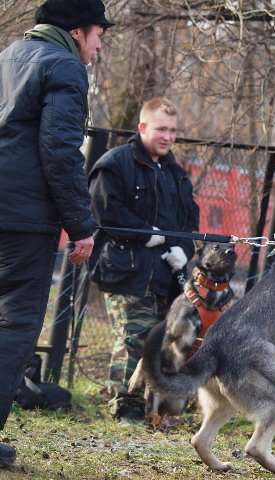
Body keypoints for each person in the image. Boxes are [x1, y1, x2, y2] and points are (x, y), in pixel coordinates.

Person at [0, 0, 114, 468]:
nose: (100, 43)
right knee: (15, 326)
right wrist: (82, 223)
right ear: (78, 31)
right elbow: (60, 151)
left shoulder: (7, 57)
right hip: (22, 221)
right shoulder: (65, 68)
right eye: (98, 34)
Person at [88, 97, 200, 424]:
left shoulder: (177, 176)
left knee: (163, 342)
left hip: (165, 275)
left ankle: (155, 410)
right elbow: (103, 211)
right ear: (142, 127)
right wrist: (142, 233)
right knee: (135, 339)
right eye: (161, 129)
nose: (167, 136)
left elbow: (188, 224)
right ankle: (127, 409)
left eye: (173, 131)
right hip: (126, 270)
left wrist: (183, 251)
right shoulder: (116, 164)